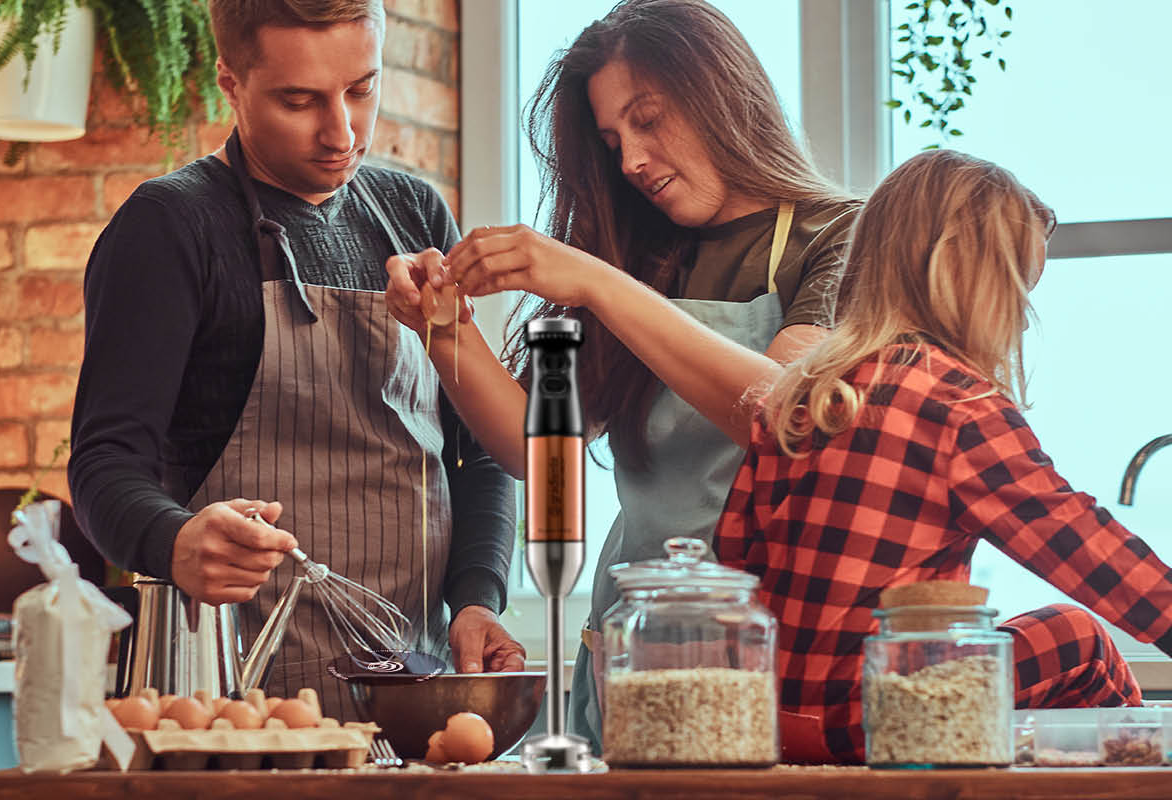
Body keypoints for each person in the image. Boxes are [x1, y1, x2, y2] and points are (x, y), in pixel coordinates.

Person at [384, 0, 858, 750]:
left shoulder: (838, 235)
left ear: (724, 93)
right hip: (633, 632)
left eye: (649, 120)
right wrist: (444, 330)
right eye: (613, 142)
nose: (632, 160)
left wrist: (595, 282)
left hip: (769, 629)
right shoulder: (640, 253)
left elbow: (776, 411)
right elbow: (537, 449)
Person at [68, 0, 522, 718]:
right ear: (231, 81)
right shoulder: (169, 226)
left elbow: (479, 454)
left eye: (361, 89)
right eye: (299, 101)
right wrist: (174, 539)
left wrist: (476, 597)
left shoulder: (415, 214)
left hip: (419, 701)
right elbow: (103, 465)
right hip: (237, 710)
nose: (342, 133)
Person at [714, 148, 1172, 763]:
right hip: (882, 719)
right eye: (1015, 290)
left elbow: (733, 561)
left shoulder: (800, 395)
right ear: (962, 276)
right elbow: (1083, 545)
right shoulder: (954, 404)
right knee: (1079, 637)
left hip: (774, 723)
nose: (1021, 320)